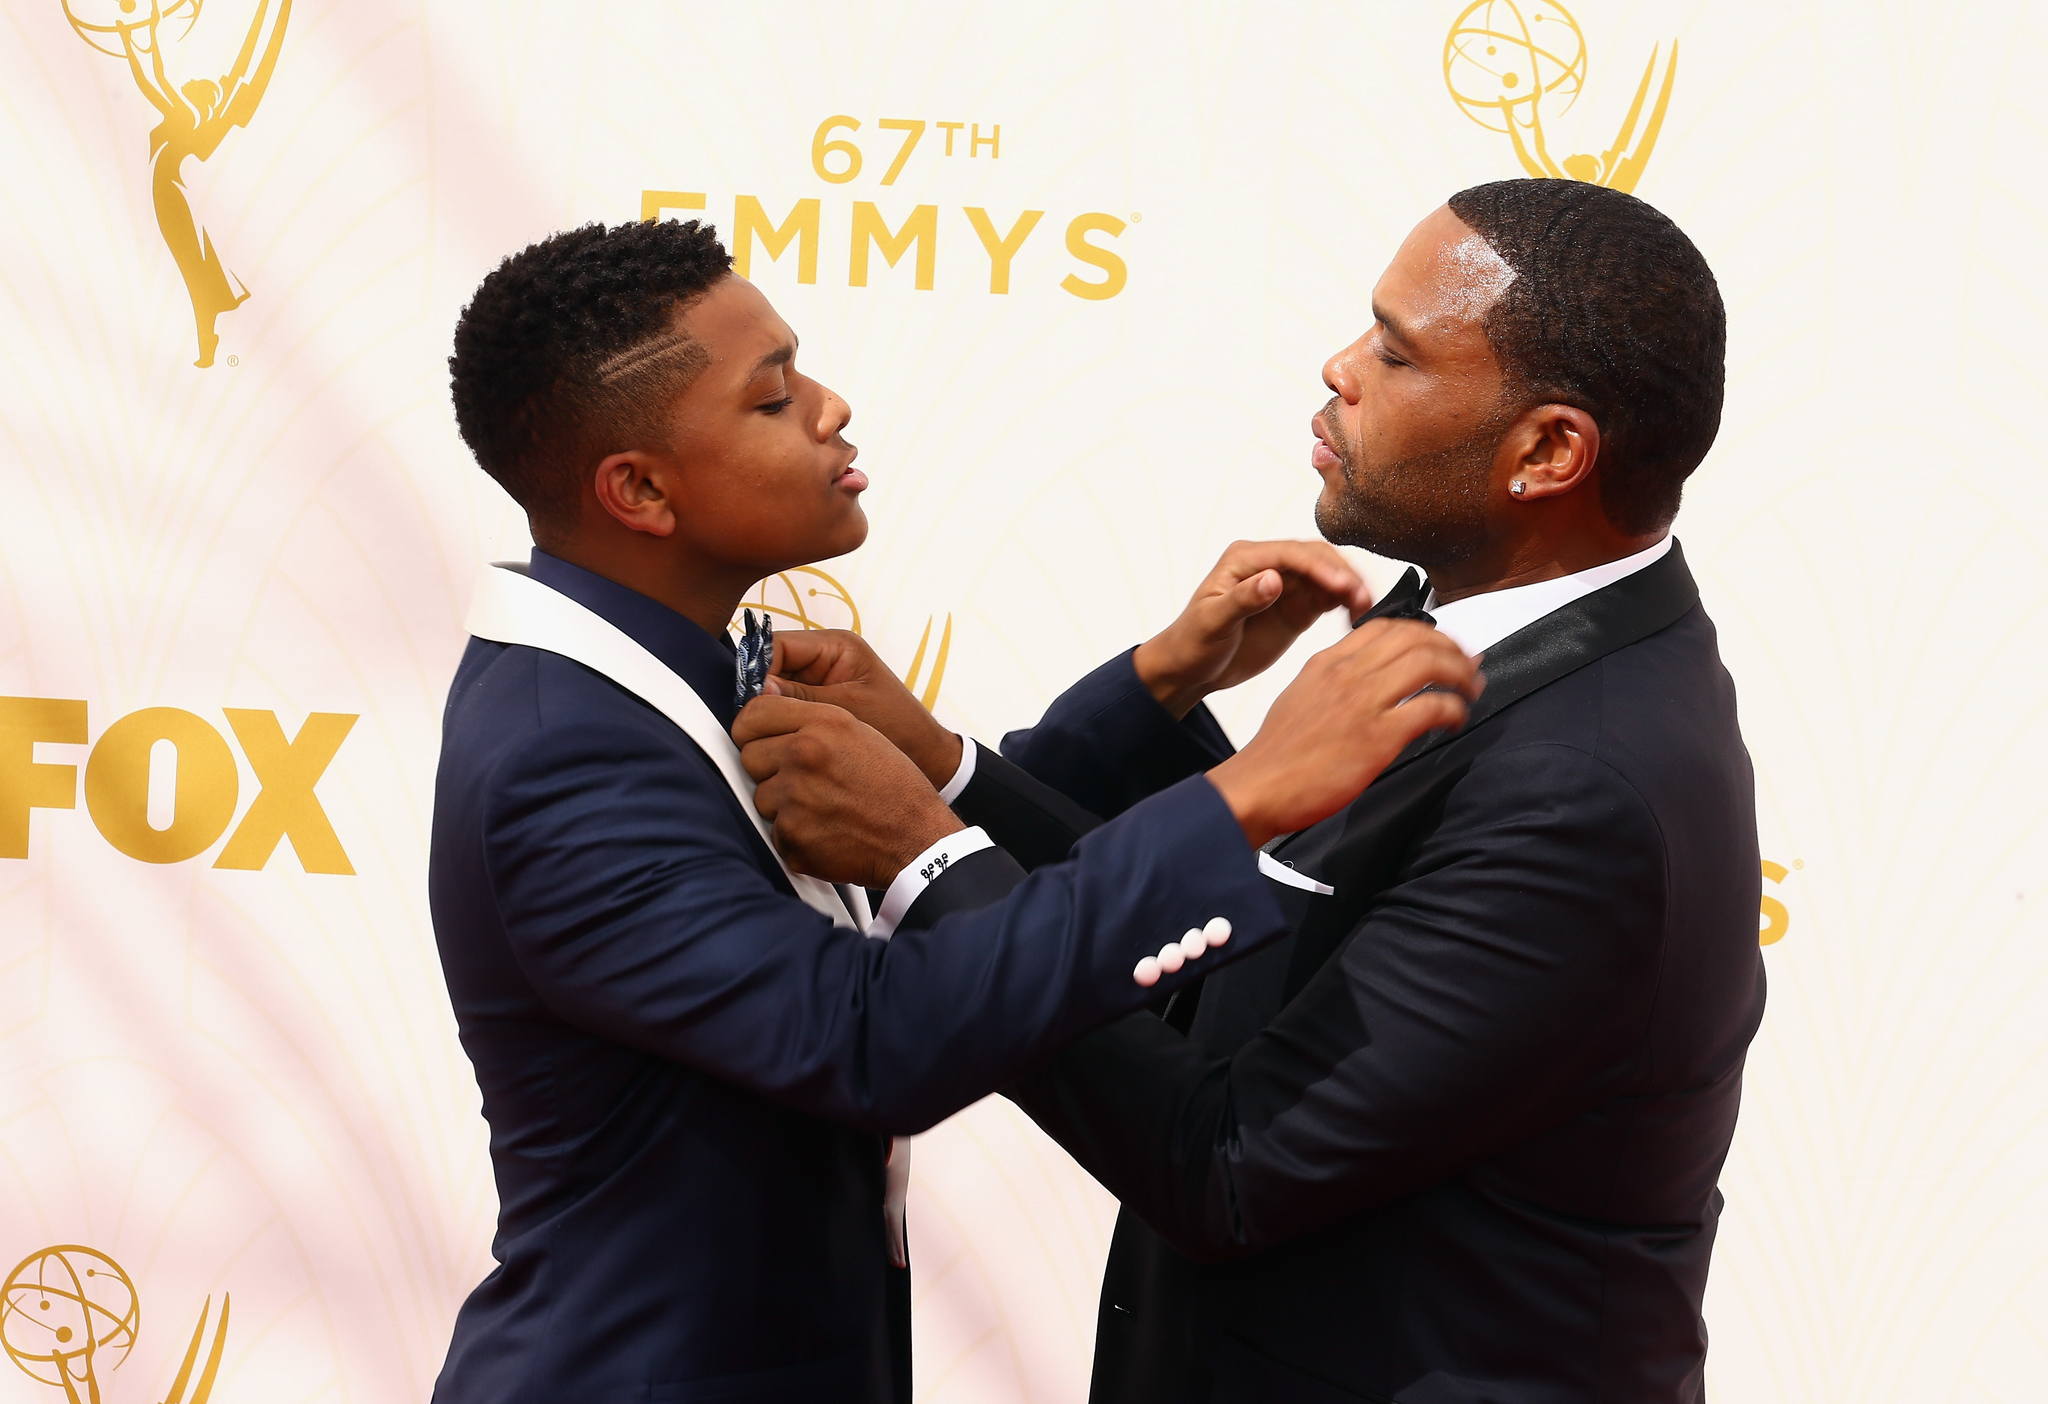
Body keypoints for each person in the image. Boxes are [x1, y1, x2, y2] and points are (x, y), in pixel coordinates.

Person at [427, 218, 1481, 1404]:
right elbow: (863, 1036)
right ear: (638, 490)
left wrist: (1157, 687)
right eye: (772, 402)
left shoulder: (677, 669)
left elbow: (894, 853)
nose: (830, 408)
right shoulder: (561, 757)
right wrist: (1237, 802)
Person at [756, 179, 1764, 1403]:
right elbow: (1229, 973)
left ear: (1546, 452)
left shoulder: (1578, 791)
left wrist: (926, 856)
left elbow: (1230, 1163)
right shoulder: (1450, 620)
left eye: (1395, 353)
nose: (1339, 367)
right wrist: (945, 768)